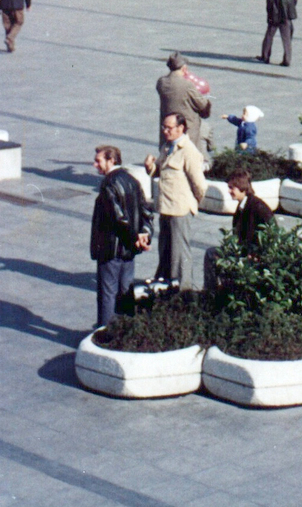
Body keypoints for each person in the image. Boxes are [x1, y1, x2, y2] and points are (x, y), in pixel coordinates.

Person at [90, 144, 152, 327]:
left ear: (111, 160)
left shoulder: (109, 183)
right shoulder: (132, 180)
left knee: (107, 294)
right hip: (129, 250)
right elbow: (146, 212)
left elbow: (118, 218)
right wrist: (144, 236)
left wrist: (134, 236)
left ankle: (105, 333)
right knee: (126, 291)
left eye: (98, 161)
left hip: (111, 249)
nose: (95, 165)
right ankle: (126, 331)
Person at [145, 112, 206, 289]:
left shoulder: (188, 151)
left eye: (169, 128)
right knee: (165, 248)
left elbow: (200, 184)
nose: (165, 131)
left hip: (180, 208)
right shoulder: (167, 147)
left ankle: (185, 288)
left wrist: (192, 203)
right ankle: (166, 282)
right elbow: (160, 170)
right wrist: (150, 167)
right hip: (165, 207)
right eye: (163, 127)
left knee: (180, 251)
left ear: (180, 128)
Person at [156, 53, 212, 157]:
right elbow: (202, 104)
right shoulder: (187, 85)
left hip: (167, 129)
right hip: (187, 130)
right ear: (184, 68)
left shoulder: (161, 82)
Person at [259, 0, 297, 65]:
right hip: (287, 13)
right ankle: (287, 59)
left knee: (269, 35)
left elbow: (270, 0)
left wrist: (269, 12)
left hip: (275, 13)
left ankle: (265, 56)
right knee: (287, 38)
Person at [226, 169, 274, 251]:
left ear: (242, 187)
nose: (229, 191)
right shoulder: (242, 205)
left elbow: (272, 233)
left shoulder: (258, 207)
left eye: (231, 188)